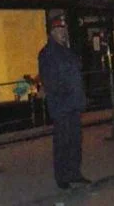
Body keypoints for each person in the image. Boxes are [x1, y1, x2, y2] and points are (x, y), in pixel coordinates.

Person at [38, 10, 91, 190]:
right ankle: (63, 176)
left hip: (73, 104)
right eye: (59, 29)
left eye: (64, 29)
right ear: (52, 32)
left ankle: (74, 172)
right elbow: (51, 81)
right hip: (62, 106)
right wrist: (67, 94)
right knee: (63, 142)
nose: (63, 32)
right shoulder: (48, 53)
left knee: (75, 141)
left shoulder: (66, 50)